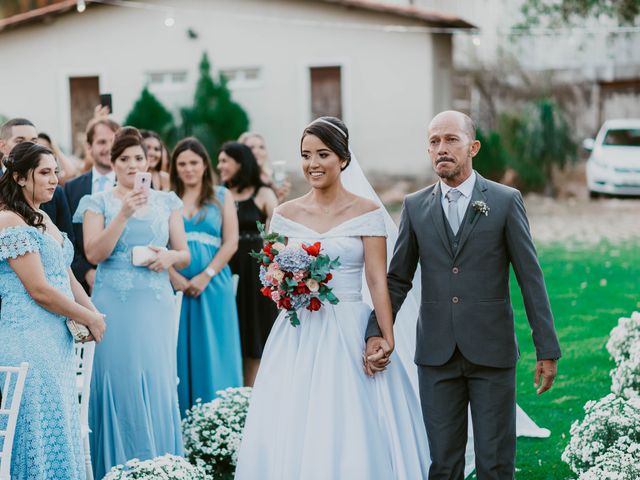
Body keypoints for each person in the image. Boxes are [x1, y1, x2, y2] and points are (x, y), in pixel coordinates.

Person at [365, 110, 562, 479]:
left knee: (495, 462)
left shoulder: (504, 201)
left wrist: (546, 348)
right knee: (443, 464)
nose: (442, 148)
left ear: (473, 147)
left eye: (451, 139)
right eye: (435, 142)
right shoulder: (414, 206)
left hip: (492, 351)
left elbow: (529, 277)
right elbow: (397, 280)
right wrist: (376, 329)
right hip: (436, 354)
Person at [235, 117, 432, 479]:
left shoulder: (367, 213)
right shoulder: (284, 214)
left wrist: (385, 338)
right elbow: (272, 272)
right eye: (306, 155)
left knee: (351, 415)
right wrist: (284, 286)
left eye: (323, 154)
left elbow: (377, 279)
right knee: (294, 417)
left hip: (349, 327)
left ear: (343, 159)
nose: (313, 164)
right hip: (298, 333)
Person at [74, 127, 190, 479]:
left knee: (157, 379)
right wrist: (123, 213)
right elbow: (94, 253)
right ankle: (114, 469)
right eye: (123, 159)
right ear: (113, 162)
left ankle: (161, 468)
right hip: (114, 302)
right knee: (118, 378)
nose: (131, 164)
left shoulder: (167, 200)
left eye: (138, 158)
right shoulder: (97, 202)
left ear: (148, 162)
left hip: (155, 302)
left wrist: (168, 257)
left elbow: (184, 254)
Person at [0, 141, 106, 480]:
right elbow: (40, 289)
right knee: (35, 430)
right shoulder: (8, 220)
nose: (53, 180)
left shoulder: (42, 216)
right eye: (44, 172)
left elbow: (66, 274)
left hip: (54, 343)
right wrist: (85, 316)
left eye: (55, 172)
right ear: (18, 177)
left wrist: (94, 311)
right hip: (26, 340)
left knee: (58, 425)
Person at [169, 137, 243, 414]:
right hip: (175, 285)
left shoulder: (222, 196)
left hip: (213, 284)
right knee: (179, 352)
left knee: (214, 352)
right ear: (175, 168)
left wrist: (206, 275)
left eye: (193, 163)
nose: (188, 169)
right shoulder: (168, 199)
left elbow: (231, 242)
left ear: (204, 165)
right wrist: (173, 276)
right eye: (182, 164)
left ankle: (219, 419)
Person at [218, 142, 278, 387]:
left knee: (254, 336)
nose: (219, 166)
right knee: (231, 332)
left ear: (240, 163)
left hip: (255, 272)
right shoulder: (218, 193)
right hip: (224, 268)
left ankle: (253, 392)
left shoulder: (262, 193)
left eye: (225, 161)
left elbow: (276, 235)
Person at [64, 117, 119, 293]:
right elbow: (67, 236)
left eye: (114, 141)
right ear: (89, 147)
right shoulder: (73, 188)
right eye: (102, 142)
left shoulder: (137, 185)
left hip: (126, 278)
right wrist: (86, 271)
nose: (109, 148)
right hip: (85, 286)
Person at [0, 118, 74, 240]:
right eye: (20, 141)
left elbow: (69, 236)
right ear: (2, 146)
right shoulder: (8, 217)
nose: (29, 146)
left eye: (34, 141)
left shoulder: (56, 192)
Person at [239, 131, 290, 202]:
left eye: (261, 147)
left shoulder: (272, 178)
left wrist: (279, 197)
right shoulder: (236, 179)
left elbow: (276, 210)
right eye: (251, 148)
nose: (257, 151)